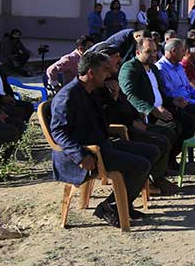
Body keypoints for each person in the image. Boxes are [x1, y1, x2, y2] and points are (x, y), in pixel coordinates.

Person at [50, 51, 157, 228]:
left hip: (102, 145)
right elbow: (59, 132)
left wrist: (113, 97)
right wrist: (79, 155)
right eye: (105, 70)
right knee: (141, 165)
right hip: (85, 153)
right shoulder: (68, 96)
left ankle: (120, 204)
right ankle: (109, 207)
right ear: (91, 73)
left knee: (151, 151)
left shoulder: (94, 91)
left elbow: (105, 121)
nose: (110, 73)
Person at [97, 44, 179, 196]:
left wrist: (136, 117)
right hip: (120, 131)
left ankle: (156, 176)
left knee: (168, 132)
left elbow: (125, 104)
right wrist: (132, 120)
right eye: (115, 58)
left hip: (132, 121)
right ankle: (152, 180)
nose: (119, 60)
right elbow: (109, 114)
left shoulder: (112, 77)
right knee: (159, 141)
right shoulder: (100, 84)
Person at [119, 37, 195, 154]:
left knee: (190, 121)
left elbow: (159, 93)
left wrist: (173, 101)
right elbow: (130, 96)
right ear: (138, 52)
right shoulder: (130, 67)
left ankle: (171, 156)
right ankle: (163, 162)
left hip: (162, 108)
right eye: (148, 51)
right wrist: (152, 109)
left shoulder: (154, 68)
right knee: (172, 127)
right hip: (146, 113)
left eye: (155, 51)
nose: (153, 54)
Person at [0, 31, 27, 153]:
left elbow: (3, 82)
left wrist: (6, 98)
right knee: (10, 131)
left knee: (19, 123)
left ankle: (8, 157)